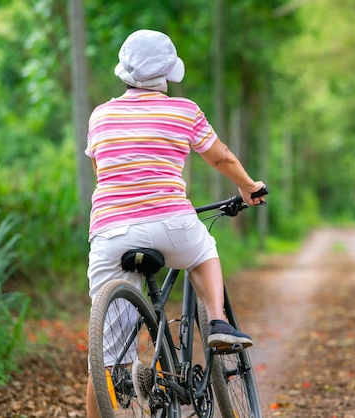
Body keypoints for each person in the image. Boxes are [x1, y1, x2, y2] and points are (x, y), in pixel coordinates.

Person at [84, 29, 265, 417]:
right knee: (204, 252)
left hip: (110, 232)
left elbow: (103, 170)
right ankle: (217, 320)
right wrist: (249, 188)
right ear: (169, 72)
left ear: (125, 71)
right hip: (171, 222)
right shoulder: (183, 110)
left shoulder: (101, 114)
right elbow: (222, 158)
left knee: (105, 360)